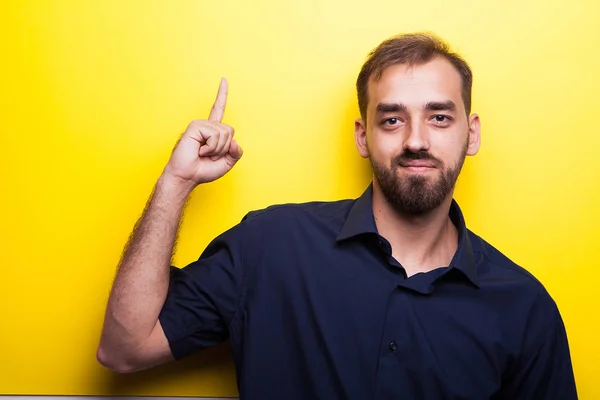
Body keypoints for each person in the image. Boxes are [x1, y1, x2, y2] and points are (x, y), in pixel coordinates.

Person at [97, 32, 577, 399]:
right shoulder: (269, 246)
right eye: (391, 118)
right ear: (362, 136)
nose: (415, 140)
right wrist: (175, 184)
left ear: (471, 135)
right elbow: (124, 348)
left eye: (439, 117)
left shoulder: (525, 309)